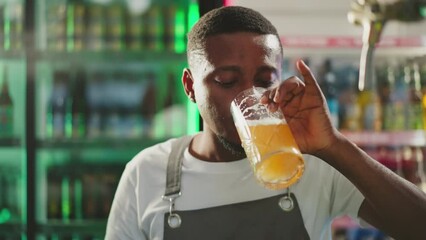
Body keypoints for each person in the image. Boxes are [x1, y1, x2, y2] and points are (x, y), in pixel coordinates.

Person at [105, 6, 426, 240]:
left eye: (264, 80)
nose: (250, 97)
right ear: (190, 87)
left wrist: (334, 145)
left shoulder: (313, 162)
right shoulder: (147, 172)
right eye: (227, 81)